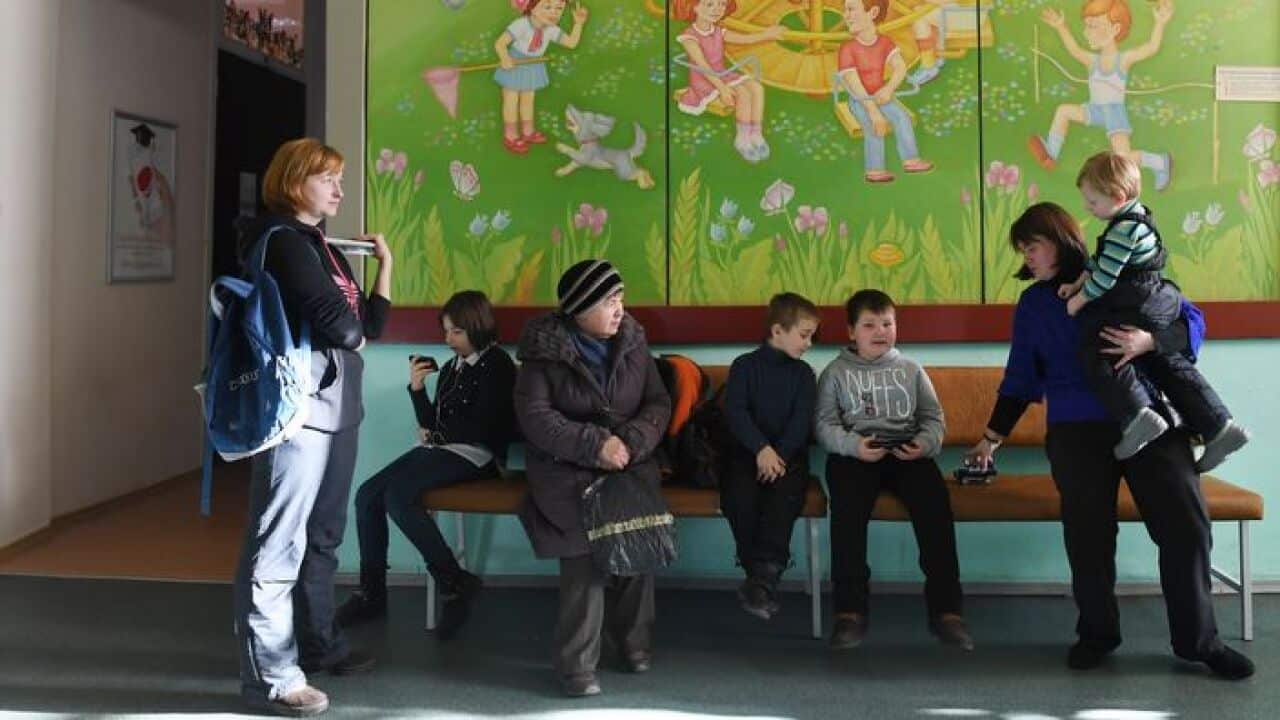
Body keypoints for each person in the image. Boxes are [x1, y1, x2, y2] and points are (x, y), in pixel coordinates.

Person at [967, 202, 1254, 680]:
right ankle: (1097, 633)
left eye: (1031, 246)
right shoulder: (1037, 303)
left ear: (1059, 240)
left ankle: (1199, 642)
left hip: (1153, 422)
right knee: (1088, 534)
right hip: (1076, 428)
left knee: (1186, 525)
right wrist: (991, 437)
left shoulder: (1122, 274)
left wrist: (1150, 342)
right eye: (1022, 250)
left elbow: (1191, 322)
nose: (1026, 257)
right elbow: (1020, 377)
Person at [232, 138, 393, 716]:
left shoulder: (323, 247)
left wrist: (387, 270)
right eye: (329, 179)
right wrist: (350, 326)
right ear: (296, 180)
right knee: (278, 544)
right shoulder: (282, 242)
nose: (340, 190)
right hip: (297, 411)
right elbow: (346, 332)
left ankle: (322, 645)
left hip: (337, 409)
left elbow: (368, 322)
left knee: (324, 537)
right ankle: (272, 677)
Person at [513, 259, 672, 697]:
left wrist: (631, 443)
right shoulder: (543, 352)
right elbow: (536, 418)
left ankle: (633, 643)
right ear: (579, 310)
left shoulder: (633, 341)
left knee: (636, 530)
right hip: (564, 465)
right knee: (583, 549)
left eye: (620, 299)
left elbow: (658, 403)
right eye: (608, 302)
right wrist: (593, 445)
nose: (619, 310)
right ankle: (577, 665)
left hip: (628, 459)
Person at [337, 291, 517, 640]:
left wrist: (436, 434)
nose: (448, 340)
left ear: (477, 329)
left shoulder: (497, 365)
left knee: (399, 495)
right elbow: (430, 423)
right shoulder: (451, 369)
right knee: (367, 495)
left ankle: (452, 583)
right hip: (442, 450)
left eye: (456, 332)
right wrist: (417, 389)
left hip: (478, 456)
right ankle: (371, 593)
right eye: (446, 332)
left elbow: (487, 426)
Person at [1060, 151, 1248, 467]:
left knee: (1102, 348)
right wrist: (1079, 281)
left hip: (1141, 301)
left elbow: (1105, 276)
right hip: (1152, 301)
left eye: (1092, 202)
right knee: (1168, 364)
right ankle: (1218, 426)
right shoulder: (1134, 220)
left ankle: (1137, 415)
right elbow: (1101, 261)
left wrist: (1079, 299)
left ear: (1118, 197)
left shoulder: (1124, 230)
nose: (1087, 208)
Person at [815, 289, 972, 651]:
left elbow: (934, 420)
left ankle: (947, 612)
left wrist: (924, 444)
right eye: (869, 325)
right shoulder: (835, 373)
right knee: (847, 515)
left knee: (935, 508)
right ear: (851, 331)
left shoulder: (911, 370)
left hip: (906, 453)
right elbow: (824, 425)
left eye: (887, 323)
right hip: (857, 454)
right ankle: (850, 612)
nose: (880, 331)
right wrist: (854, 446)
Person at [721, 292, 819, 620]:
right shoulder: (744, 366)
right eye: (804, 335)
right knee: (740, 496)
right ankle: (761, 579)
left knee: (783, 499)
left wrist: (779, 455)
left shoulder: (804, 375)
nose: (809, 343)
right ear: (777, 331)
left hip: (788, 458)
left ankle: (761, 580)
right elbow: (736, 412)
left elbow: (801, 421)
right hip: (746, 455)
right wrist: (761, 449)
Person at [1027, 0, 1174, 190]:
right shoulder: (1091, 60)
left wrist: (1160, 23)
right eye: (1087, 26)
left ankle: (1160, 162)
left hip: (1113, 114)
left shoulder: (1123, 60)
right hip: (1094, 109)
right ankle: (1051, 153)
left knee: (1123, 159)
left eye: (1093, 26)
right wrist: (1061, 26)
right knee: (1063, 111)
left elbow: (1151, 47)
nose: (1087, 32)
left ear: (1115, 28)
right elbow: (1074, 50)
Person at [672, 0, 784, 162]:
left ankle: (756, 133)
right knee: (743, 94)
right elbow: (703, 66)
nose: (717, 9)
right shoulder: (689, 37)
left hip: (722, 75)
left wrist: (766, 35)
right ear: (693, 6)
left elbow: (744, 39)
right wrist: (723, 89)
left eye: (722, 4)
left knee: (757, 88)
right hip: (705, 80)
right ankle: (742, 138)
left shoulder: (718, 31)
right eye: (710, 4)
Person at [837, 0, 934, 183]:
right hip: (861, 99)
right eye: (845, 10)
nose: (845, 15)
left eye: (851, 9)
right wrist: (873, 111)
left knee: (901, 118)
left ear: (872, 12)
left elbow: (900, 67)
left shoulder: (884, 43)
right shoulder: (847, 49)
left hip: (881, 95)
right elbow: (853, 83)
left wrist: (888, 89)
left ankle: (911, 160)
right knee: (872, 125)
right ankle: (875, 170)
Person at [494, 0, 588, 154]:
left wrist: (578, 24)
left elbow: (571, 43)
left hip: (533, 65)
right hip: (515, 63)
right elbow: (500, 43)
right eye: (548, 7)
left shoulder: (551, 29)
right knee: (511, 101)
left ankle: (528, 132)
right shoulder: (521, 24)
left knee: (528, 101)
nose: (554, 12)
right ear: (532, 7)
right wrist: (505, 58)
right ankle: (511, 136)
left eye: (559, 8)